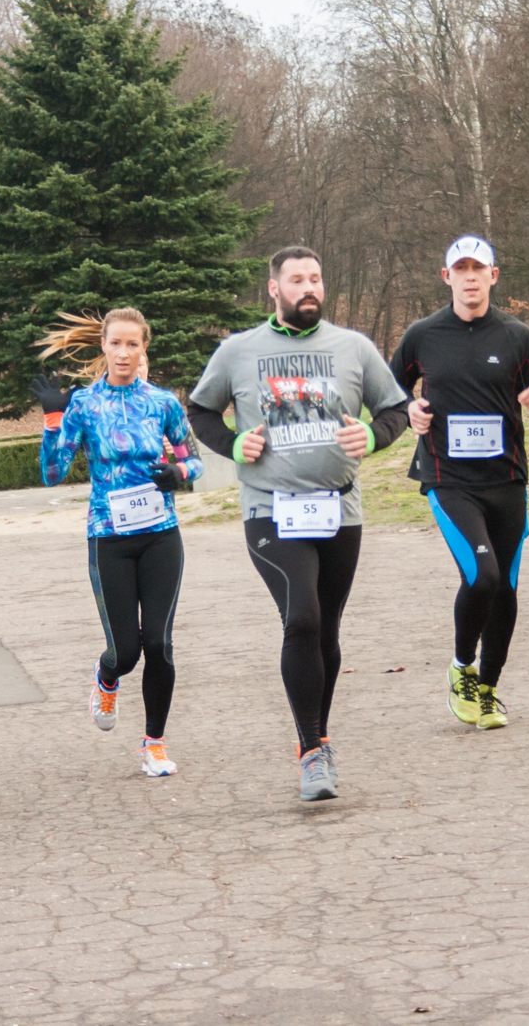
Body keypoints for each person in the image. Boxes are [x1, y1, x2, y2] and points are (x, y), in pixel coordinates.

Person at [188, 246, 410, 801]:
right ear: (274, 289)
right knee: (302, 618)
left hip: (341, 509)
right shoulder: (239, 351)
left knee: (326, 630)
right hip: (270, 509)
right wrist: (236, 444)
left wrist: (375, 436)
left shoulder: (353, 347)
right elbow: (200, 412)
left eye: (315, 279)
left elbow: (397, 409)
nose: (308, 288)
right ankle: (312, 750)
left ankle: (318, 736)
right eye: (296, 280)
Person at [390, 236, 529, 730]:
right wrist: (409, 410)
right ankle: (461, 667)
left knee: (506, 588)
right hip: (449, 479)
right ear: (446, 277)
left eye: (479, 268)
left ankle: (487, 688)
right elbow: (388, 392)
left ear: (494, 275)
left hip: (506, 478)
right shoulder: (423, 335)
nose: (470, 276)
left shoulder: (517, 335)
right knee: (483, 576)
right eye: (460, 268)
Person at [35, 308, 204, 777]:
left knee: (161, 643)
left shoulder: (163, 403)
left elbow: (195, 462)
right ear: (103, 348)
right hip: (108, 536)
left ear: (143, 348)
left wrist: (178, 473)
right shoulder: (85, 404)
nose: (124, 353)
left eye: (133, 345)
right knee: (126, 652)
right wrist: (52, 420)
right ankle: (107, 676)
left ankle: (154, 744)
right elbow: (52, 474)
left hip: (160, 535)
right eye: (116, 344)